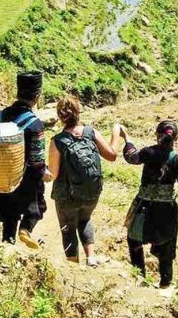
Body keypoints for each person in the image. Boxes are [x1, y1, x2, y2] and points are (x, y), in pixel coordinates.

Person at [45, 94, 123, 266]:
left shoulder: (57, 141)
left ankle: (74, 267)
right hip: (91, 192)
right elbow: (111, 155)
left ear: (60, 116)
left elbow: (53, 174)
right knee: (85, 219)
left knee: (68, 228)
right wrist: (116, 132)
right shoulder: (91, 132)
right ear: (78, 112)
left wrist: (40, 172)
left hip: (67, 196)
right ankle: (91, 258)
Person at [122, 120, 178, 291]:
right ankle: (165, 282)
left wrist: (127, 138)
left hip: (145, 208)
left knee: (134, 240)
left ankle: (139, 277)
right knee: (166, 246)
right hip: (166, 211)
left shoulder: (148, 153)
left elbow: (131, 156)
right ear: (176, 138)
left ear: (157, 135)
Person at [0, 72, 48, 249]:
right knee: (38, 207)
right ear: (37, 96)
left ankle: (8, 242)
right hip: (24, 182)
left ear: (17, 92)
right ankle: (26, 229)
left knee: (9, 216)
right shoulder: (36, 124)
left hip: (0, 180)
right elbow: (37, 159)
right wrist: (44, 172)